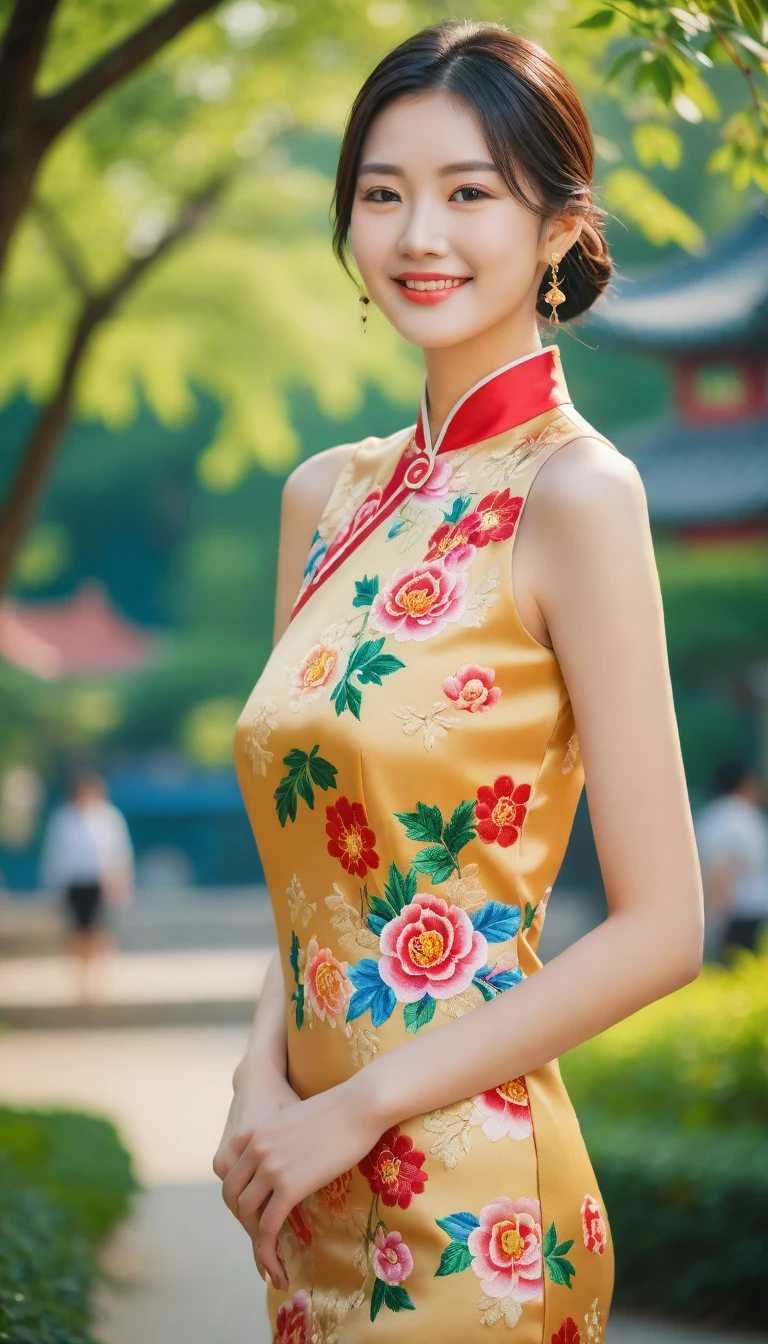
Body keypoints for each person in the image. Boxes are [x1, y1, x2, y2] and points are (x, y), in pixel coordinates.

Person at [214, 20, 704, 1343]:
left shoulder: (579, 496)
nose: (419, 232)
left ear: (556, 230)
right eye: (384, 193)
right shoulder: (326, 497)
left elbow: (666, 927)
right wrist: (261, 1083)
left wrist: (360, 1109)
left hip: (474, 1215)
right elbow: (310, 867)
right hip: (303, 1178)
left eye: (470, 191)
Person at [39, 768, 134, 1003]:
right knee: (77, 934)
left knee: (99, 933)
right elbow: (54, 855)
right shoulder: (63, 819)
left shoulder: (109, 817)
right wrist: (52, 889)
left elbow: (120, 853)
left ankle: (98, 982)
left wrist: (122, 883)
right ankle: (81, 982)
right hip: (74, 882)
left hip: (101, 882)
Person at [695, 758, 768, 963]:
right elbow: (724, 871)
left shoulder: (711, 815)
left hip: (724, 912)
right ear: (746, 783)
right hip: (739, 915)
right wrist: (718, 919)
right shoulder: (739, 818)